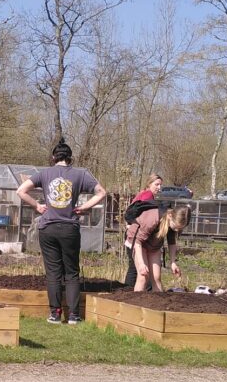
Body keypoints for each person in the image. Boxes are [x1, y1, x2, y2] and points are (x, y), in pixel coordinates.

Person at [16, 139, 107, 324]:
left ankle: (55, 314)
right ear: (70, 158)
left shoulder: (44, 173)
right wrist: (83, 207)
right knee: (71, 272)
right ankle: (73, 315)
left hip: (48, 228)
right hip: (69, 229)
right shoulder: (80, 174)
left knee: (53, 272)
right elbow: (102, 192)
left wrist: (38, 206)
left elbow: (21, 191)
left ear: (53, 157)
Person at [132, 205, 191, 292]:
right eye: (176, 227)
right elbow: (138, 241)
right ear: (170, 216)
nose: (177, 230)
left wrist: (173, 262)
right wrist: (141, 264)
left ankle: (157, 303)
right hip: (139, 243)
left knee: (156, 278)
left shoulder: (173, 226)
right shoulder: (153, 218)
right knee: (143, 276)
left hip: (154, 246)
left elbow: (172, 243)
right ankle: (135, 303)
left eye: (180, 229)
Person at [123, 174, 163, 289]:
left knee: (134, 268)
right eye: (156, 184)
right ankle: (130, 293)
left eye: (160, 185)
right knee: (138, 269)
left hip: (134, 232)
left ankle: (129, 292)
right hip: (136, 235)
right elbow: (143, 216)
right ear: (149, 184)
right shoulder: (148, 196)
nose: (159, 187)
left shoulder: (142, 194)